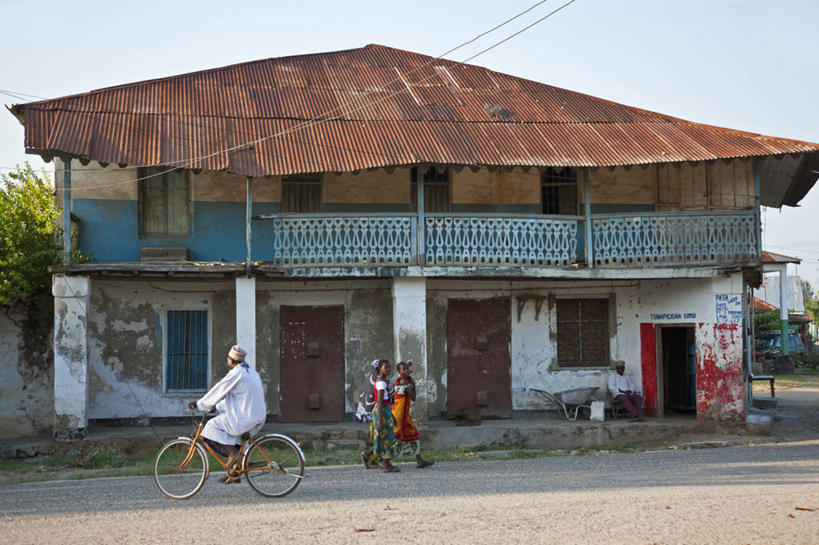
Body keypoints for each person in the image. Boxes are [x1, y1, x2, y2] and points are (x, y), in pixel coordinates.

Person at [188, 345, 266, 483]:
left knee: (211, 427)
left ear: (231, 360)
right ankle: (235, 474)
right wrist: (216, 407)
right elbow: (238, 400)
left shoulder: (236, 374)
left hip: (245, 418)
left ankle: (233, 454)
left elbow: (218, 390)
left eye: (228, 359)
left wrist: (200, 404)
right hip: (257, 417)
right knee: (237, 438)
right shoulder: (252, 373)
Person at [361, 359, 400, 473]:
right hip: (381, 411)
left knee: (385, 437)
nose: (388, 369)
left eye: (389, 367)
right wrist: (379, 421)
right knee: (387, 438)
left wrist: (392, 416)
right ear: (379, 369)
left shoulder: (385, 381)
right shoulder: (381, 382)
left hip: (386, 410)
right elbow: (380, 401)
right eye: (385, 367)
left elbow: (387, 401)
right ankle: (386, 465)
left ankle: (368, 455)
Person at [392, 361, 433, 468]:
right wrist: (409, 385)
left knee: (413, 435)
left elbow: (414, 398)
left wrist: (411, 383)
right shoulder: (401, 381)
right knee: (392, 437)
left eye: (407, 369)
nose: (406, 371)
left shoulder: (409, 380)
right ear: (399, 372)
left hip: (405, 414)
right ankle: (376, 457)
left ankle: (419, 460)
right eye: (403, 369)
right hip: (398, 414)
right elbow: (411, 395)